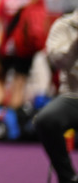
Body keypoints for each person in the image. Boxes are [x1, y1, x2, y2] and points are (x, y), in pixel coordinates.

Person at [34, 9, 78, 183]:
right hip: (74, 95)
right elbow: (59, 62)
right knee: (46, 120)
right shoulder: (64, 26)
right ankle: (68, 177)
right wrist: (76, 43)